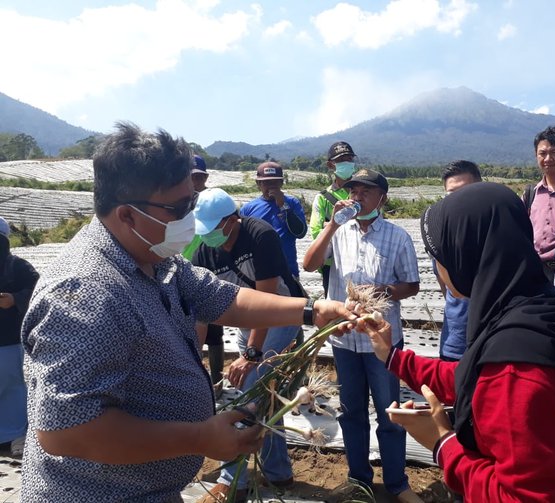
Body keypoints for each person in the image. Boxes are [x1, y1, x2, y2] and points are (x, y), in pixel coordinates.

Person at [19, 122, 353, 502]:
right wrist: (200, 437)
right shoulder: (83, 292)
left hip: (150, 488)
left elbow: (222, 298)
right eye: (179, 208)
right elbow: (67, 432)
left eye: (191, 203)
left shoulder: (155, 255)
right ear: (127, 215)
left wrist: (313, 311)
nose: (188, 220)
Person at [356, 182, 555, 502]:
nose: (439, 269)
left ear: (467, 254)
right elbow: (473, 378)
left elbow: (523, 497)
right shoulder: (546, 312)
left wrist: (444, 445)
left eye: (440, 254)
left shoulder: (515, 366)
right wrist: (393, 357)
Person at [303, 169, 422, 503]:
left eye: (365, 191)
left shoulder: (397, 237)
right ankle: (359, 480)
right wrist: (331, 225)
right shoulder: (339, 234)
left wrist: (383, 290)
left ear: (382, 197)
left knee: (390, 413)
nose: (357, 196)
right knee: (352, 412)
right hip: (344, 340)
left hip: (381, 343)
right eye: (353, 190)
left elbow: (412, 285)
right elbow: (310, 264)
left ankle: (398, 484)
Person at [191, 188, 303, 502]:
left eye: (214, 228)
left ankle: (232, 478)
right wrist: (193, 355)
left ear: (232, 220)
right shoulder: (205, 252)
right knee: (265, 396)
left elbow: (266, 302)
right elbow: (201, 314)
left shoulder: (260, 235)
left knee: (249, 392)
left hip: (280, 315)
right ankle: (279, 473)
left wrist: (251, 355)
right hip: (246, 323)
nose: (209, 235)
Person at [181, 154, 224, 386]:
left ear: (205, 177)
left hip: (209, 267)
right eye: (190, 177)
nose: (194, 182)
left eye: (198, 177)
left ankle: (217, 381)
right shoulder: (178, 203)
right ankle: (194, 377)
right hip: (182, 268)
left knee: (215, 328)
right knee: (186, 326)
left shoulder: (210, 201)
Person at [0, 217, 39, 458]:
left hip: (9, 340)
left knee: (13, 388)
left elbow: (39, 289)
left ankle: (14, 436)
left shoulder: (18, 267)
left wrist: (15, 299)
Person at [436, 161, 481, 362]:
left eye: (466, 192)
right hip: (456, 339)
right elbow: (446, 287)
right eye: (452, 195)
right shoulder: (440, 236)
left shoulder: (499, 233)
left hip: (493, 338)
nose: (460, 201)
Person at [522, 125, 555, 282]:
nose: (548, 159)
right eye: (542, 153)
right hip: (535, 269)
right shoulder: (531, 193)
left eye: (554, 152)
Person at [240, 162, 307, 278]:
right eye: (266, 182)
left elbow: (300, 232)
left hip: (288, 271)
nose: (271, 186)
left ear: (281, 183)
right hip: (259, 273)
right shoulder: (247, 209)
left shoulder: (292, 203)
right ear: (258, 183)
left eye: (275, 182)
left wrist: (283, 206)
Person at [309, 141, 356, 296]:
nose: (347, 163)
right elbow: (316, 231)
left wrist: (330, 225)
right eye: (341, 160)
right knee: (335, 307)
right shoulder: (322, 198)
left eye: (349, 159)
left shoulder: (363, 193)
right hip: (332, 263)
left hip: (360, 258)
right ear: (331, 165)